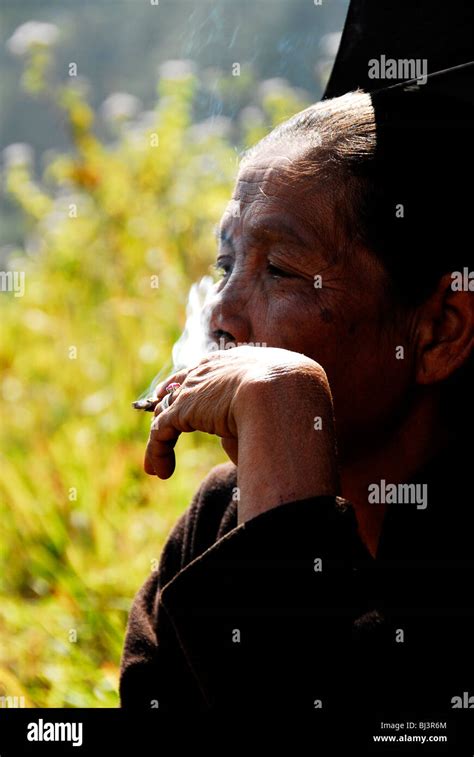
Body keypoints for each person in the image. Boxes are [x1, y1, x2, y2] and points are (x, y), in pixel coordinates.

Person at [119, 69, 474, 713]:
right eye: (226, 266)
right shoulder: (223, 517)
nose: (218, 317)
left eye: (280, 270)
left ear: (438, 331)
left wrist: (288, 413)